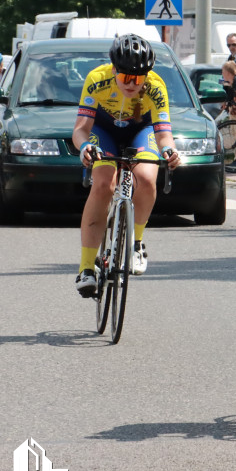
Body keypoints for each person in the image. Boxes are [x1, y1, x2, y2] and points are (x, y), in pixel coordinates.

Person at [72, 34, 182, 297]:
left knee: (145, 177)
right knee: (103, 184)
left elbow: (163, 133)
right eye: (126, 78)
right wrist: (85, 147)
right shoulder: (97, 79)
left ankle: (137, 243)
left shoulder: (155, 85)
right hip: (104, 129)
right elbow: (80, 129)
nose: (133, 84)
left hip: (140, 129)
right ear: (114, 70)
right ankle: (87, 268)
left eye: (139, 78)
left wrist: (170, 149)